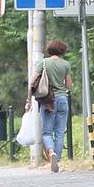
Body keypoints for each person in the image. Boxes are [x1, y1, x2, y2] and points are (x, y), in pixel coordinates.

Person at [30, 40, 73, 173]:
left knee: (47, 132)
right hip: (62, 99)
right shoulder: (66, 64)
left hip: (49, 100)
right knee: (60, 132)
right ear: (62, 51)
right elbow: (68, 85)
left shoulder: (43, 63)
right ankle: (57, 161)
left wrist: (28, 99)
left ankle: (51, 152)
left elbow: (33, 81)